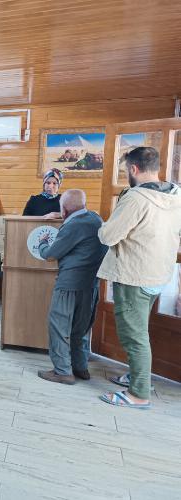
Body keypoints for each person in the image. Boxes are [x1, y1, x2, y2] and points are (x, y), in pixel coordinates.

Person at [96, 147, 181, 409]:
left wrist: (100, 225)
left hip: (134, 275)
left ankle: (139, 393)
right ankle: (138, 376)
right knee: (140, 330)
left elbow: (108, 236)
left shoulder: (136, 198)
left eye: (125, 170)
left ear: (133, 169)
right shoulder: (175, 194)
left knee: (134, 336)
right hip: (158, 274)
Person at [36, 189, 107, 385]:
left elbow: (50, 254)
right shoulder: (95, 219)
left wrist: (42, 244)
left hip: (69, 283)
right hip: (91, 284)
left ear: (65, 210)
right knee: (81, 328)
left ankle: (62, 372)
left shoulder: (72, 226)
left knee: (59, 326)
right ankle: (80, 367)